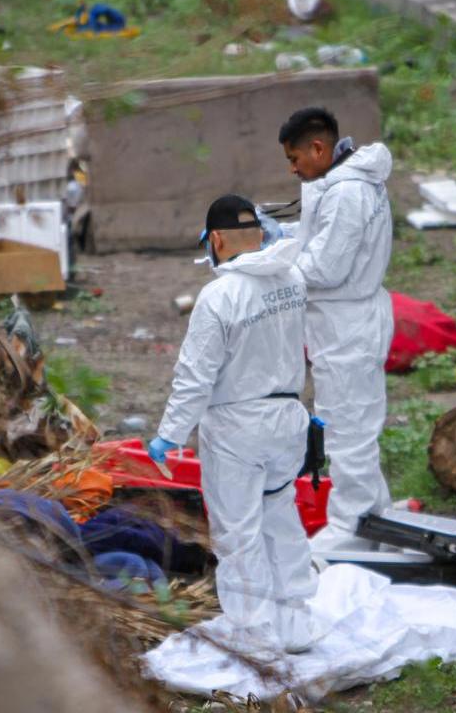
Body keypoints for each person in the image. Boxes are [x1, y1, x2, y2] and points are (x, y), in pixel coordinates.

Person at [147, 194, 320, 653]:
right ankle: (296, 624)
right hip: (288, 420)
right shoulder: (292, 280)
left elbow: (195, 377)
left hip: (236, 428)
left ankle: (255, 636)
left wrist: (170, 433)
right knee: (280, 518)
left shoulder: (219, 296)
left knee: (239, 533)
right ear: (262, 235)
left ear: (216, 240)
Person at [278, 107, 394, 552]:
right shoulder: (347, 183)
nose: (293, 169)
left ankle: (352, 525)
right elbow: (321, 235)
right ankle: (375, 514)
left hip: (347, 324)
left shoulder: (348, 192)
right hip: (348, 321)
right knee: (356, 422)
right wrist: (281, 236)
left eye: (295, 158)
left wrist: (273, 265)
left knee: (347, 429)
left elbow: (326, 265)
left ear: (319, 148)